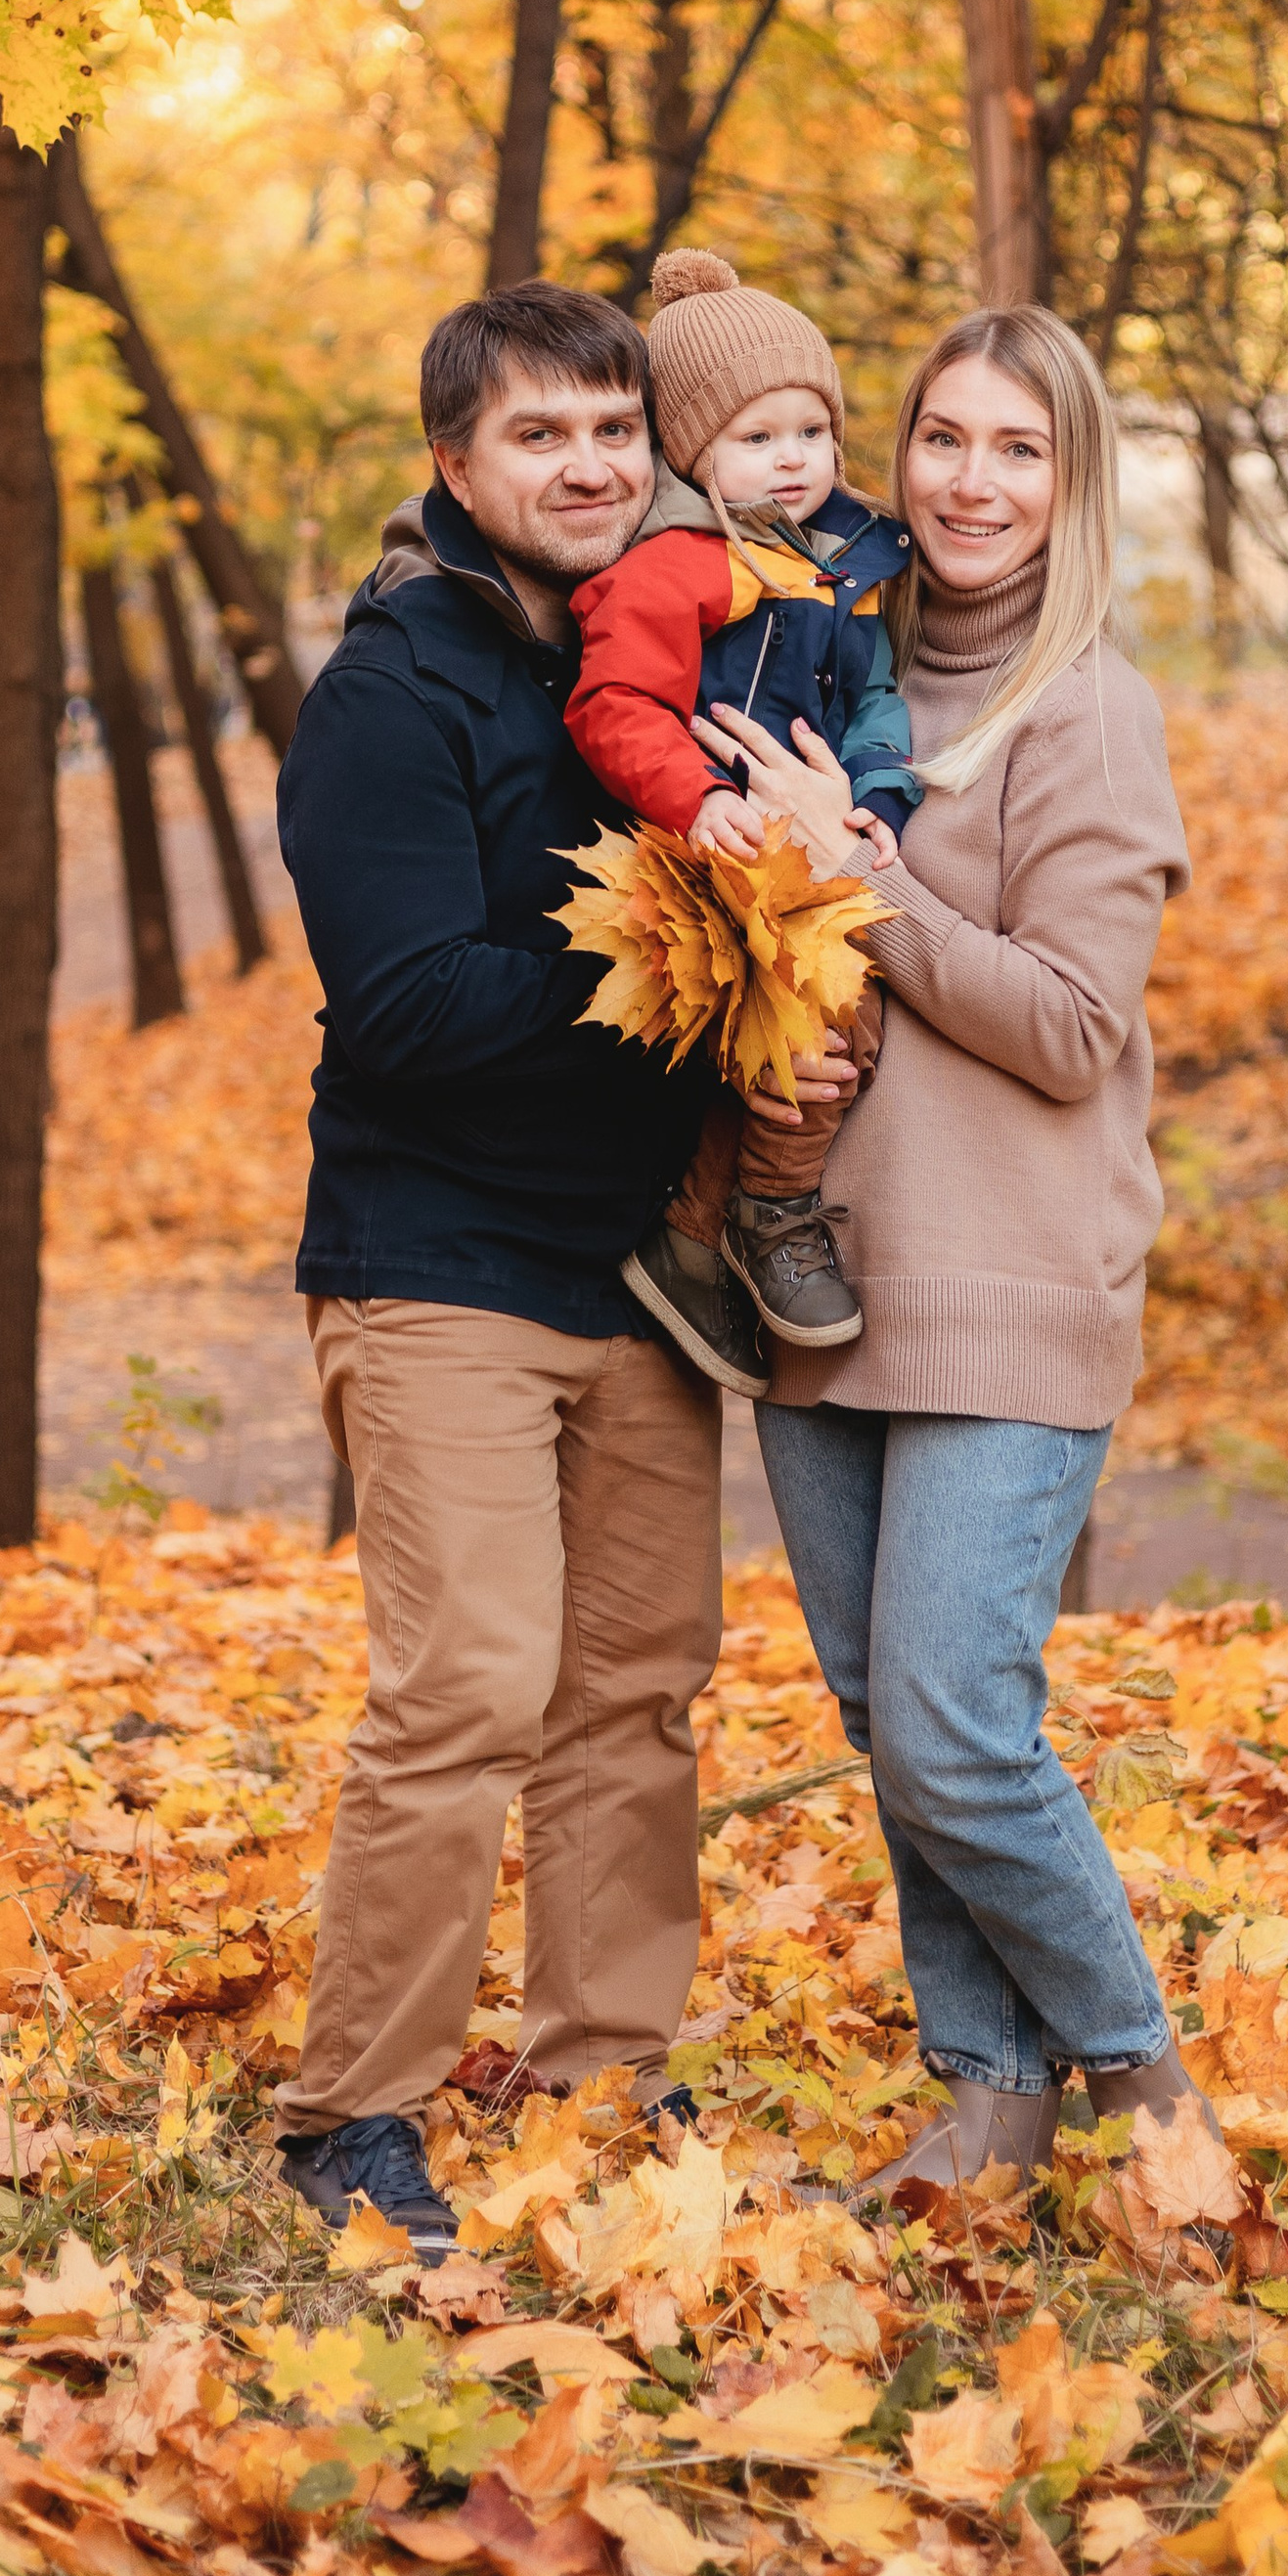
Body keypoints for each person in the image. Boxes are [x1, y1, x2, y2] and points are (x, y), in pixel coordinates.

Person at [271, 282, 849, 2253]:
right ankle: (352, 2109)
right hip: (436, 1262)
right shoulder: (386, 698)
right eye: (541, 436)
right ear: (455, 465)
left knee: (636, 1690)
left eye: (612, 428)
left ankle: (603, 2063)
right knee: (466, 1689)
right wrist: (686, 967)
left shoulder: (666, 636)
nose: (588, 464)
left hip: (638, 1270)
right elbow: (414, 1000)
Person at [696, 304, 1217, 2203]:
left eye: (1015, 449)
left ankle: (1140, 2083)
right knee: (885, 1727)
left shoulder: (1086, 708)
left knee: (948, 1723)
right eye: (939, 439)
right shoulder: (829, 664)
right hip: (817, 1272)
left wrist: (870, 880)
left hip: (1009, 1286)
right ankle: (986, 2094)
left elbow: (1075, 1027)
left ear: (1064, 485)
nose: (967, 481)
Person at [564, 249, 919, 1393]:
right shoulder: (681, 566)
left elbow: (873, 700)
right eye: (757, 439)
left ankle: (710, 1226)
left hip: (804, 843)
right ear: (688, 452)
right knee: (824, 1023)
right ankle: (763, 1212)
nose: (794, 460)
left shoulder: (834, 565)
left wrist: (875, 797)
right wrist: (701, 795)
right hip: (702, 846)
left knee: (843, 1017)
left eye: (810, 433)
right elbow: (614, 704)